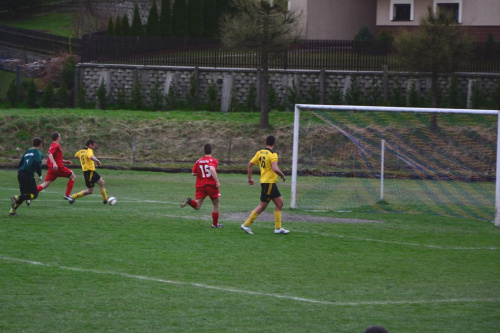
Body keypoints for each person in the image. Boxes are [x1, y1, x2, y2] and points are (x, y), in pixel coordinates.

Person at [241, 135, 288, 235]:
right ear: (274, 143)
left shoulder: (260, 152)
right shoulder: (273, 154)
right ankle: (246, 225)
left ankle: (278, 228)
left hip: (268, 183)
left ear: (265, 142)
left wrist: (250, 178)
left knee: (279, 203)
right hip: (269, 183)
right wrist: (282, 174)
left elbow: (250, 164)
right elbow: (275, 169)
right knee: (262, 206)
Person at [180, 143, 223, 228]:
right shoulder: (213, 160)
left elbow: (193, 173)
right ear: (211, 151)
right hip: (211, 185)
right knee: (216, 204)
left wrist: (202, 175)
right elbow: (211, 168)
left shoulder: (198, 161)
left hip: (200, 186)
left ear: (204, 151)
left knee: (197, 206)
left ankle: (189, 201)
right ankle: (215, 224)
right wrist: (217, 181)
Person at [37, 131, 76, 204]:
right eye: (60, 136)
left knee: (45, 184)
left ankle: (30, 194)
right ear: (58, 138)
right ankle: (67, 195)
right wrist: (54, 164)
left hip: (52, 169)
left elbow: (55, 157)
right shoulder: (56, 145)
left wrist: (64, 161)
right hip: (58, 168)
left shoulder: (52, 145)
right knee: (73, 176)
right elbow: (50, 154)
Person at [9, 137, 44, 216]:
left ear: (32, 143)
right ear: (40, 144)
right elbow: (37, 164)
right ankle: (16, 197)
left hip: (20, 173)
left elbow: (20, 163)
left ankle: (12, 211)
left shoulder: (27, 151)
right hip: (28, 175)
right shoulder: (38, 153)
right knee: (34, 195)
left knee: (24, 195)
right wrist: (40, 175)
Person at [70, 139, 110, 204]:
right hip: (89, 172)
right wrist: (97, 160)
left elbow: (76, 155)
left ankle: (105, 199)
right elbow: (91, 157)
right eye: (94, 145)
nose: (94, 147)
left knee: (102, 183)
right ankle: (73, 197)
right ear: (90, 145)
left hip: (91, 171)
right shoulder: (89, 150)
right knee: (90, 191)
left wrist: (83, 159)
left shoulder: (81, 151)